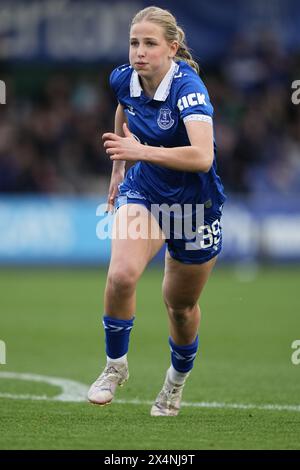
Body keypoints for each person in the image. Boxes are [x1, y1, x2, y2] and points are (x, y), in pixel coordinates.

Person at [88, 6, 226, 416]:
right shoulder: (123, 79)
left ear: (172, 48)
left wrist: (139, 151)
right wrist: (119, 167)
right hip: (145, 191)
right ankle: (114, 368)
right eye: (134, 42)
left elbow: (203, 156)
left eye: (150, 43)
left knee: (179, 307)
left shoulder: (189, 87)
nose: (139, 52)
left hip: (194, 208)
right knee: (121, 274)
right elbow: (123, 109)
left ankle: (174, 384)